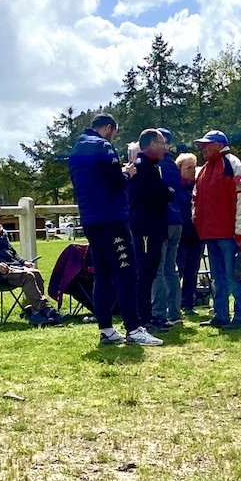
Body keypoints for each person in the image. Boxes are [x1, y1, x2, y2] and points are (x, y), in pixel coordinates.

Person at [68, 113, 163, 346]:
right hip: (111, 218)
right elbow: (115, 183)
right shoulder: (103, 146)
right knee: (126, 272)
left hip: (90, 219)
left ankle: (107, 329)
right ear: (109, 128)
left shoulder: (76, 150)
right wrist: (127, 173)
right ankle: (134, 328)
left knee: (102, 274)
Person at [0, 200, 65, 326]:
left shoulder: (0, 230)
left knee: (35, 272)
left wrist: (24, 262)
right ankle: (45, 310)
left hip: (12, 268)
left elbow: (11, 252)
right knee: (28, 276)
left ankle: (34, 312)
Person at [192, 129, 241, 330]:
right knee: (217, 277)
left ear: (219, 145)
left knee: (234, 276)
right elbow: (197, 199)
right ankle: (221, 315)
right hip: (210, 233)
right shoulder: (206, 169)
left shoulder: (232, 164)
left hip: (228, 233)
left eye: (207, 145)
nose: (203, 149)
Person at [128, 128, 174, 333]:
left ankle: (146, 317)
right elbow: (159, 193)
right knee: (145, 274)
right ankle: (142, 319)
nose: (166, 148)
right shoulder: (143, 167)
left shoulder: (151, 167)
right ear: (151, 145)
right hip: (146, 229)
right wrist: (169, 192)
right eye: (162, 143)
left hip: (153, 228)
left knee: (150, 272)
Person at [151, 128, 183, 326]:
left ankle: (158, 313)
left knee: (158, 269)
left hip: (162, 221)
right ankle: (175, 312)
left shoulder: (156, 164)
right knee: (171, 269)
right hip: (177, 220)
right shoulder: (173, 164)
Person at [175, 152, 204, 315]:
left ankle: (189, 303)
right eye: (188, 167)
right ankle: (174, 302)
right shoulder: (176, 187)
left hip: (196, 235)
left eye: (194, 167)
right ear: (179, 169)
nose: (192, 170)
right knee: (177, 269)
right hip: (180, 234)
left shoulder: (198, 186)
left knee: (192, 270)